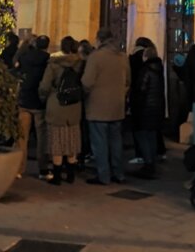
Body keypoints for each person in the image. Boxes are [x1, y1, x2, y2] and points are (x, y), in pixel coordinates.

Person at [82, 28, 129, 185]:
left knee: (99, 142)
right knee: (116, 141)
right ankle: (118, 173)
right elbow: (128, 80)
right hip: (117, 106)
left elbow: (87, 82)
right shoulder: (123, 57)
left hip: (98, 106)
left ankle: (104, 175)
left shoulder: (96, 57)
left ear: (99, 40)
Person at [40, 36, 83, 185]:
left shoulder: (53, 64)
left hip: (57, 104)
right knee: (72, 139)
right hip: (74, 106)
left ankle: (57, 176)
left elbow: (45, 86)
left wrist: (44, 96)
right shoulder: (79, 64)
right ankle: (71, 174)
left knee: (57, 141)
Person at [16, 35, 52, 180]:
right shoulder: (48, 60)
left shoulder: (24, 57)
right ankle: (43, 169)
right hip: (39, 102)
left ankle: (19, 168)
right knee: (41, 138)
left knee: (21, 137)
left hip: (24, 100)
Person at [130, 42, 167, 179]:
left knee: (142, 136)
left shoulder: (145, 70)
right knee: (151, 136)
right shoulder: (158, 69)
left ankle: (148, 163)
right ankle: (151, 162)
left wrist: (133, 104)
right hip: (155, 109)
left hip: (145, 109)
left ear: (145, 56)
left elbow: (141, 90)